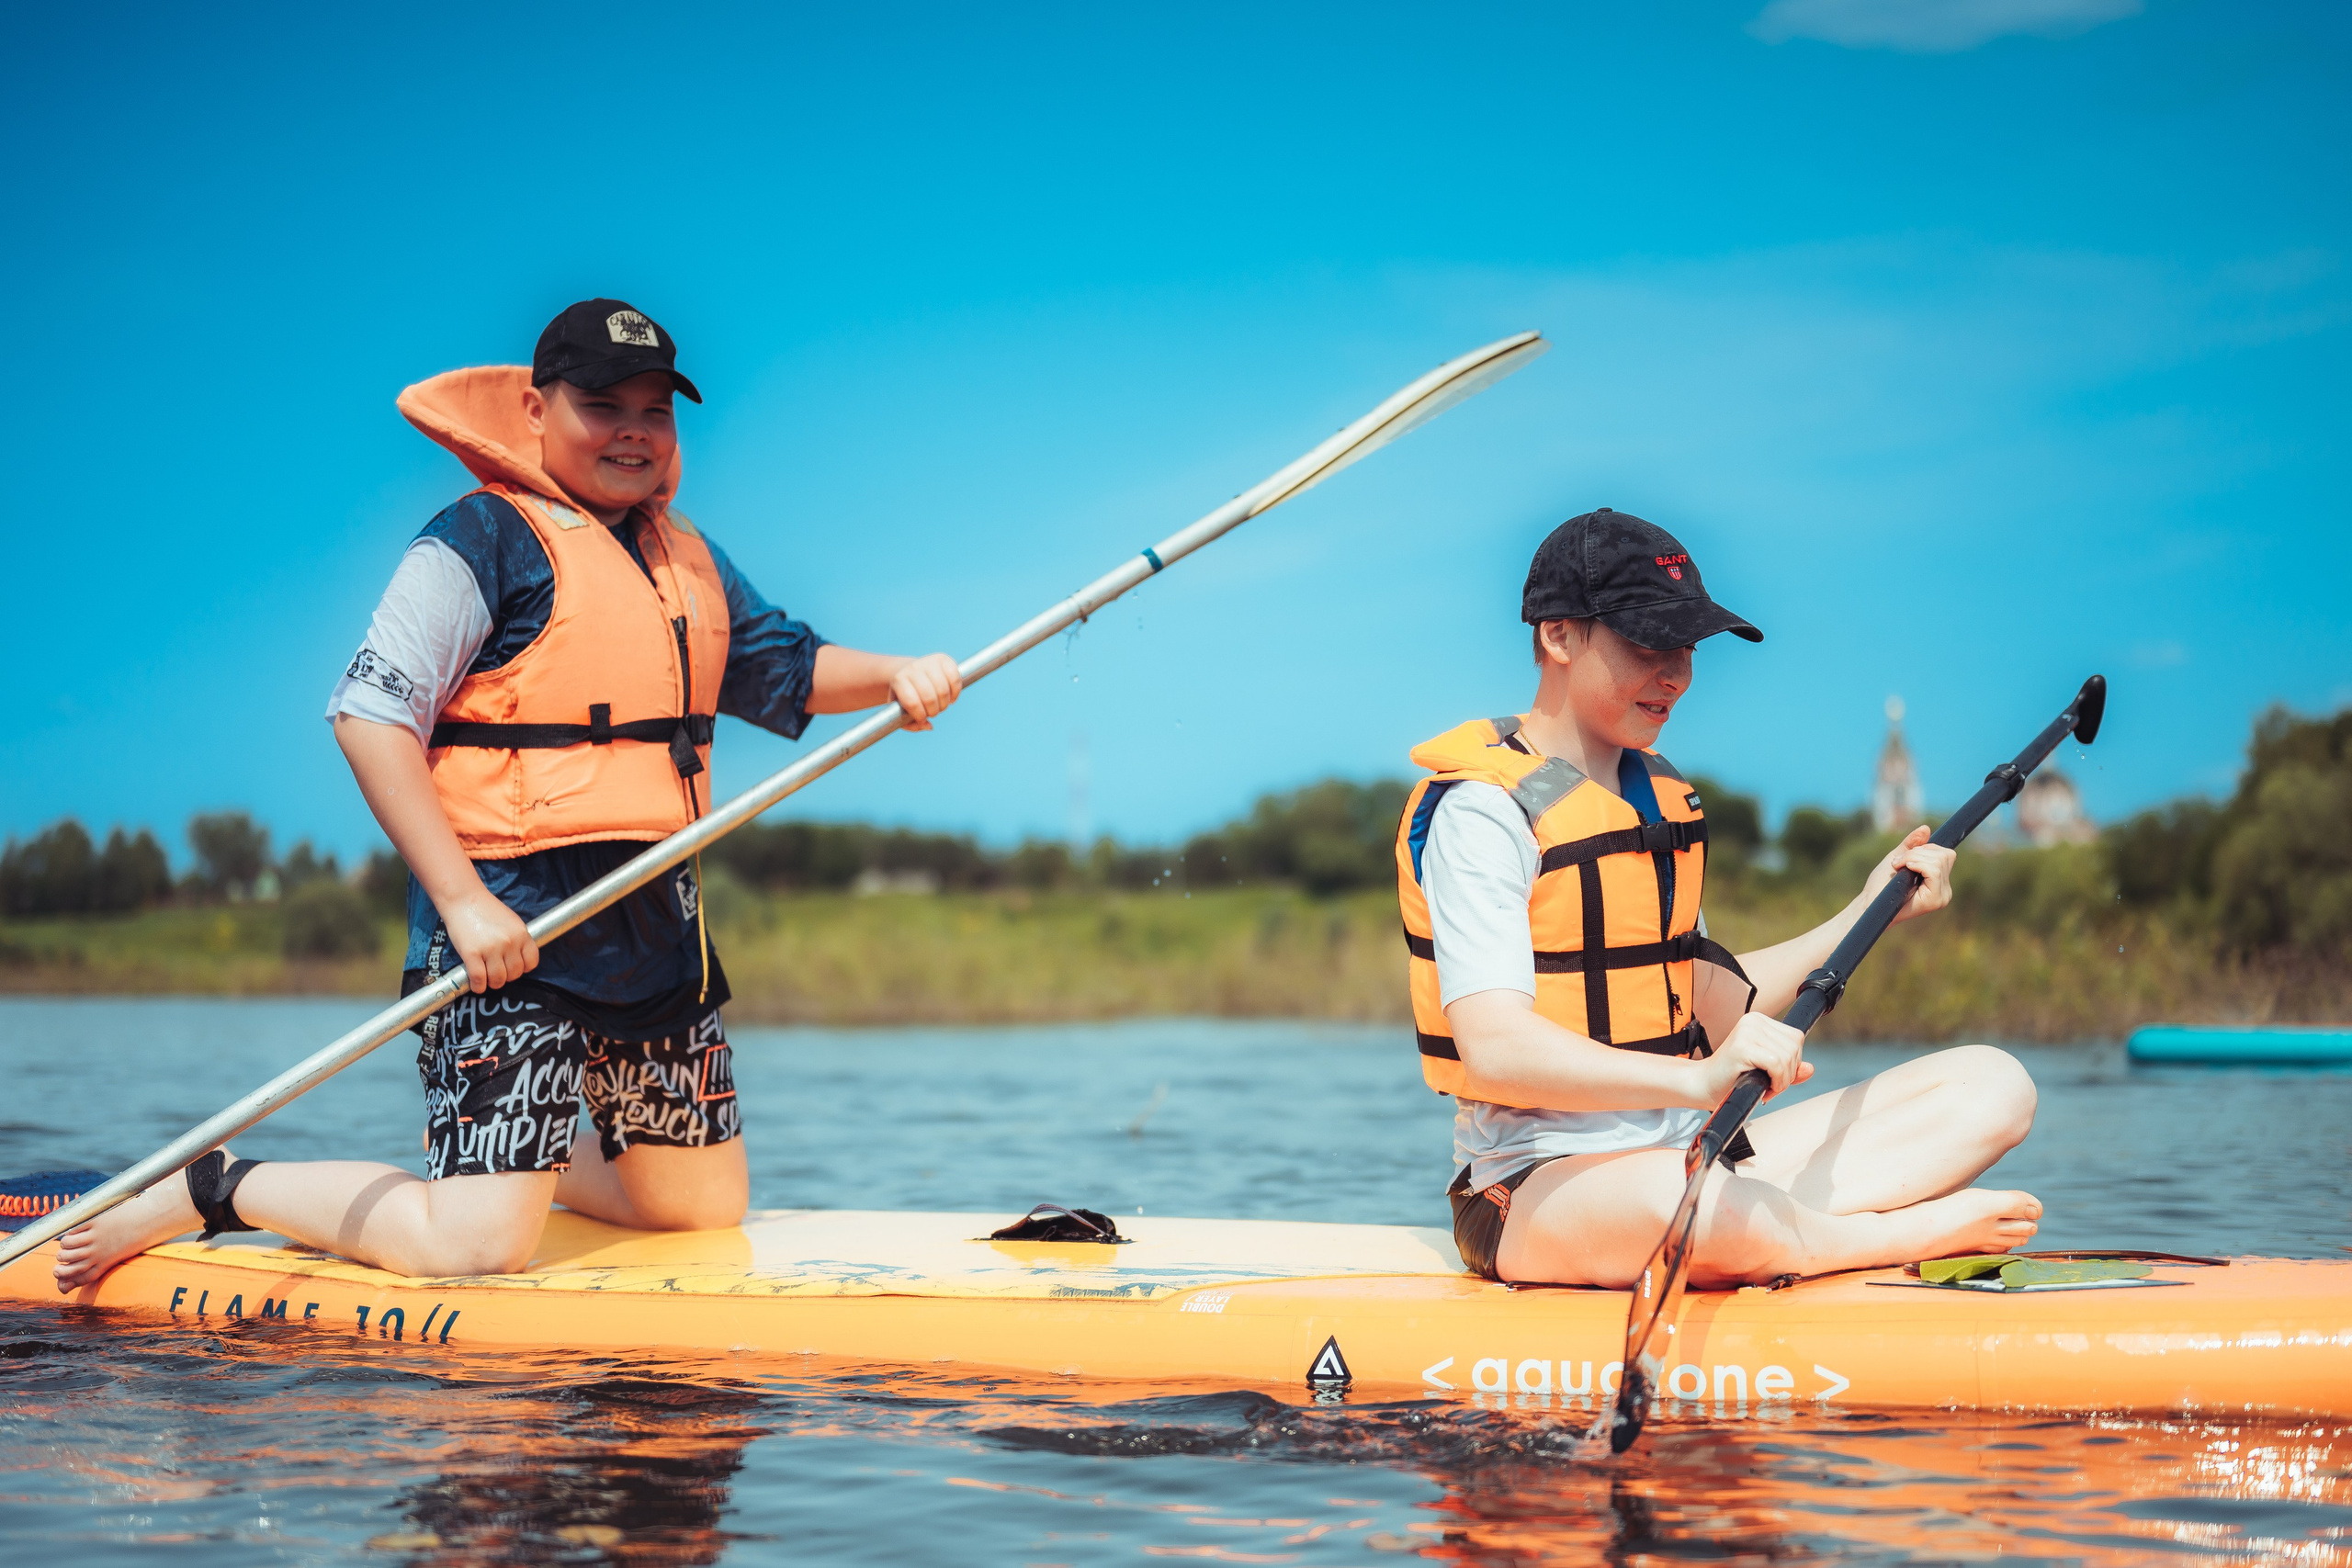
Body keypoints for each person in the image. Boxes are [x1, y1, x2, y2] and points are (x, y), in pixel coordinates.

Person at [56, 299, 964, 1289]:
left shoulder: (684, 559)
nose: (633, 430)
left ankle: (502, 1166)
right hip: (511, 936)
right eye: (602, 404)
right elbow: (368, 716)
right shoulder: (478, 540)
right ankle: (218, 1186)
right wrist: (463, 902)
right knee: (475, 1250)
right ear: (535, 411)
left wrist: (896, 677)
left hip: (653, 931)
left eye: (655, 411)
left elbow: (784, 666)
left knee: (695, 1209)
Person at [1395, 508, 2041, 1289]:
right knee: (1681, 1201)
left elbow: (1705, 999)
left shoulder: (1653, 801)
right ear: (1559, 635)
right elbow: (1494, 1048)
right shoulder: (1486, 812)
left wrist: (1869, 909)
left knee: (1993, 1086)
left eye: (1686, 648)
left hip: (1695, 1154)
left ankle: (1782, 1230)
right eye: (1646, 644)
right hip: (1536, 1190)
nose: (1675, 674)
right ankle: (1886, 1239)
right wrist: (1697, 1084)